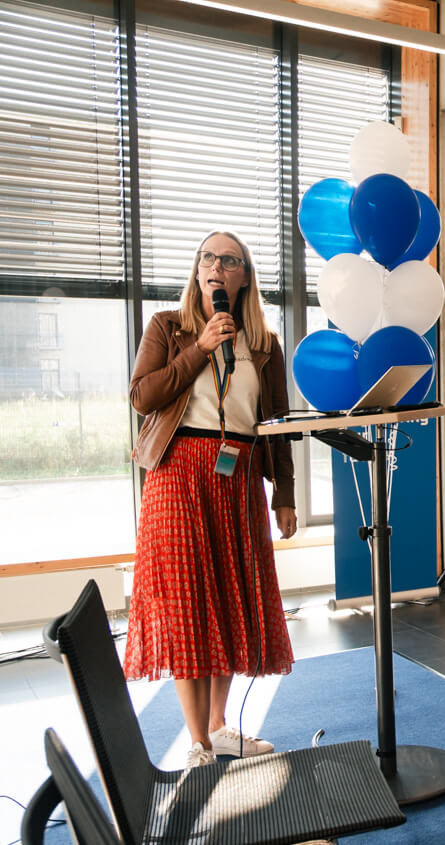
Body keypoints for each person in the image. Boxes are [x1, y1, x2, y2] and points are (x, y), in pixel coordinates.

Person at [124, 232, 296, 769]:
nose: (216, 267)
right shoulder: (168, 328)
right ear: (197, 269)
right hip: (178, 473)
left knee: (228, 599)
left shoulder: (265, 344)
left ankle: (220, 726)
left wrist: (284, 494)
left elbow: (275, 427)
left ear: (244, 276)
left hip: (239, 474)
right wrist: (200, 350)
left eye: (229, 260)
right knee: (186, 606)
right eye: (207, 257)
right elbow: (142, 397)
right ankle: (196, 742)